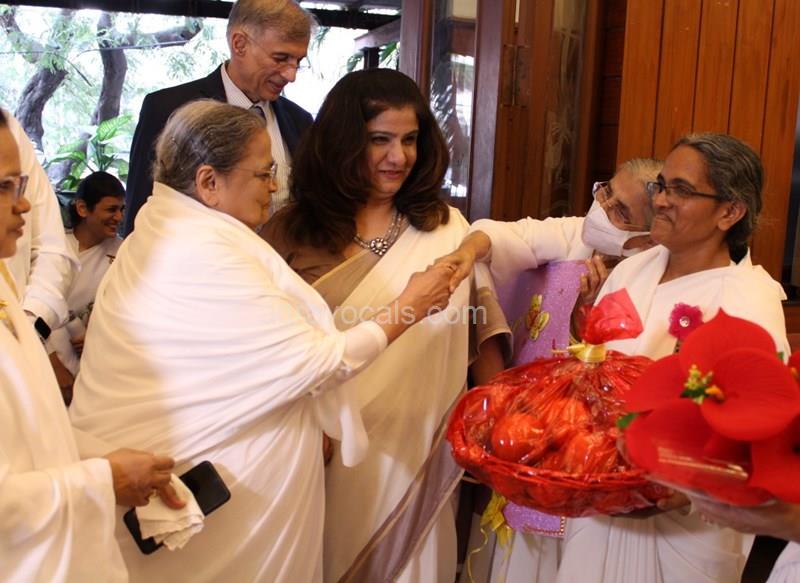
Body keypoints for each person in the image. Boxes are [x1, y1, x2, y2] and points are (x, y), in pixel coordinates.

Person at [70, 99, 453, 582]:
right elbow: (317, 363)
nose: (274, 187)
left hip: (229, 487)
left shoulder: (161, 226)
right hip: (221, 499)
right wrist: (410, 306)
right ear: (209, 183)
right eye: (264, 173)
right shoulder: (201, 252)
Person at [261, 68, 510, 583]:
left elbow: (480, 339)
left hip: (419, 456)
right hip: (320, 451)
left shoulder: (447, 229)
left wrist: (501, 437)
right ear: (342, 142)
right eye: (380, 140)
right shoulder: (290, 231)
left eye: (410, 140)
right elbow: (263, 351)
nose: (398, 157)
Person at [553, 133, 789, 583]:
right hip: (598, 502)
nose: (660, 200)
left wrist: (666, 492)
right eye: (660, 185)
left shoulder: (749, 300)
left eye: (680, 190)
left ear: (730, 212)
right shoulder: (631, 269)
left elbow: (757, 437)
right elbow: (594, 369)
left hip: (681, 527)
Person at [435, 157, 662, 583]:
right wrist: (465, 253)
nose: (602, 207)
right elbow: (505, 235)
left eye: (619, 210)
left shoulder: (651, 275)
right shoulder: (577, 233)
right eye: (605, 191)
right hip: (527, 430)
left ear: (649, 234)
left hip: (584, 451)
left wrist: (590, 314)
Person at [0, 106, 181, 583]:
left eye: (21, 185)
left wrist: (115, 458)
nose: (24, 206)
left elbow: (36, 429)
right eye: (4, 187)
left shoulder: (8, 292)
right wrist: (103, 479)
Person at [123, 0, 314, 235]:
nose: (291, 75)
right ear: (239, 44)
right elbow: (140, 213)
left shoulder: (299, 121)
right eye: (280, 58)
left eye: (298, 62)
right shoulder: (169, 109)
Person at [2, 108, 77, 400]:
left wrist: (29, 332)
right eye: (4, 186)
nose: (22, 205)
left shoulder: (7, 129)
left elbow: (51, 247)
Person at [48, 171, 124, 388]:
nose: (119, 217)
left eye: (121, 209)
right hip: (44, 355)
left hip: (94, 366)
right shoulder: (54, 247)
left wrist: (98, 332)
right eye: (111, 209)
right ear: (82, 208)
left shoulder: (123, 254)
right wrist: (53, 365)